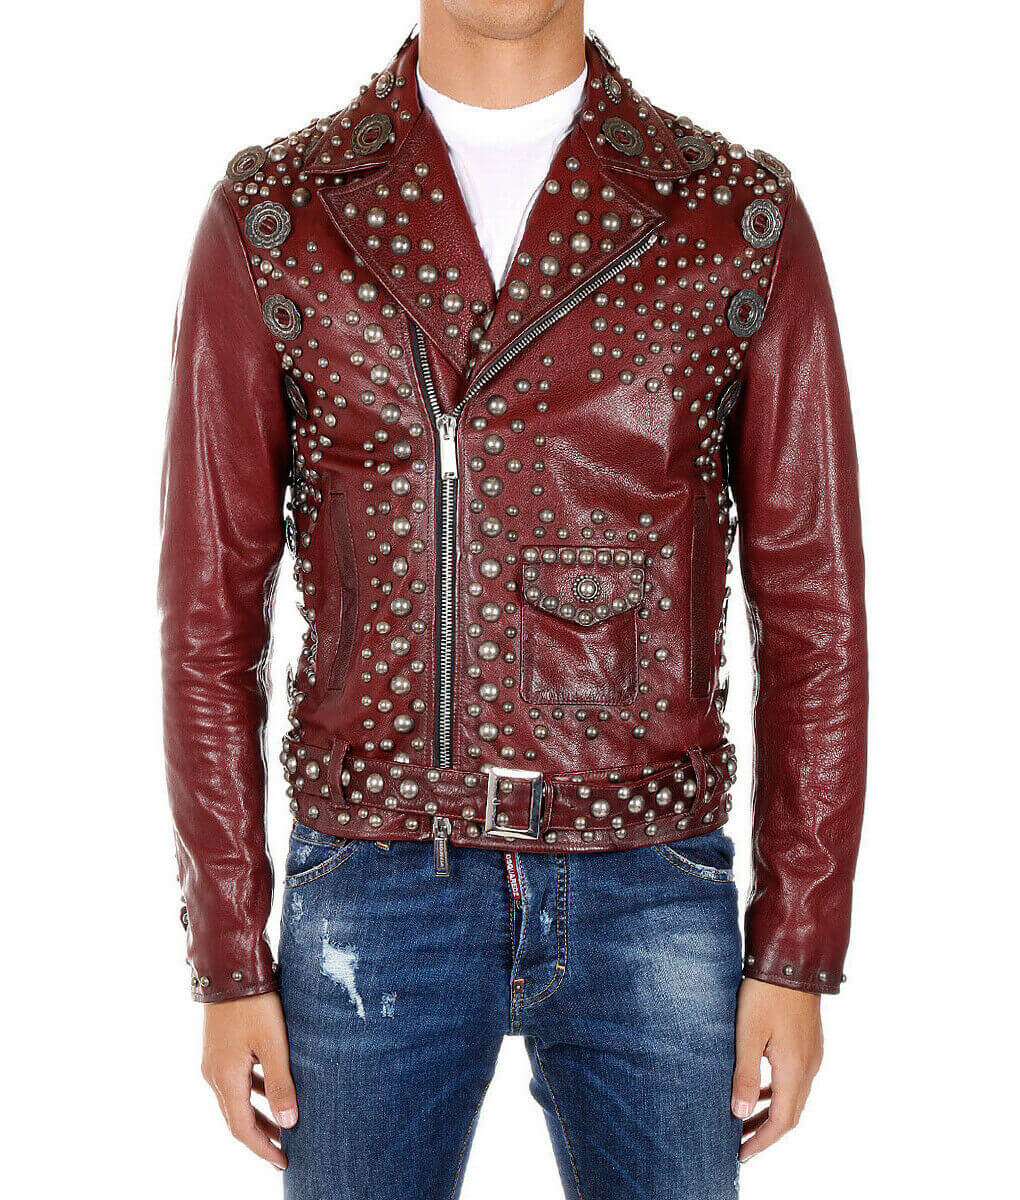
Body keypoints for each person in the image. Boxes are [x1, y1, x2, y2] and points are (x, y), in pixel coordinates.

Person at [159, 2, 867, 1195]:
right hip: (373, 876)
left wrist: (796, 949)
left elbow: (814, 608)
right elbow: (206, 614)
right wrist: (229, 956)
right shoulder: (279, 214)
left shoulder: (733, 214)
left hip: (651, 875)